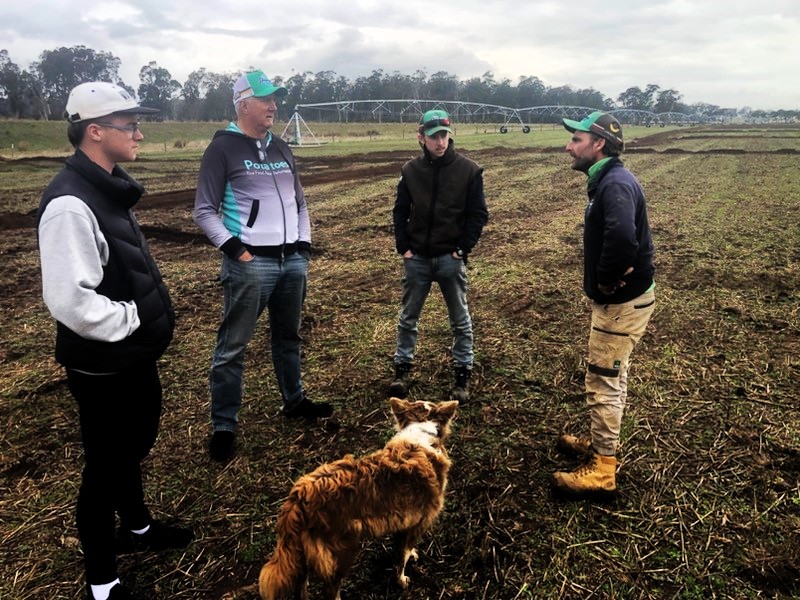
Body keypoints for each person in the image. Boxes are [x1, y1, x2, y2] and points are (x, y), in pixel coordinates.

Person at [36, 82, 193, 600]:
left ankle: (139, 530)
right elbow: (70, 301)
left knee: (132, 446)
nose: (140, 133)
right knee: (106, 467)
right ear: (95, 131)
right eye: (129, 125)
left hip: (131, 355)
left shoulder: (105, 189)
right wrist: (134, 319)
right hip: (103, 364)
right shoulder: (69, 205)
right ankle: (102, 583)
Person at [194, 70, 332, 462]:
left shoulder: (282, 148)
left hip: (292, 263)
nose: (274, 105)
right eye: (266, 98)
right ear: (243, 104)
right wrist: (237, 251)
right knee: (232, 347)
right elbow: (204, 211)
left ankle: (295, 400)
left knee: (289, 338)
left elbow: (300, 203)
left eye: (275, 98)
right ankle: (224, 425)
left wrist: (303, 247)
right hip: (251, 264)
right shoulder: (221, 150)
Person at [552, 111, 656, 496]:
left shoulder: (614, 184)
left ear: (598, 144)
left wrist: (606, 282)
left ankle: (602, 470)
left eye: (576, 139)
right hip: (629, 300)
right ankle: (601, 446)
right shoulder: (610, 180)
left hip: (622, 304)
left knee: (603, 380)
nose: (569, 146)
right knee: (612, 375)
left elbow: (623, 237)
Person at [390, 109, 489, 403]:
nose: (441, 142)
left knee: (460, 319)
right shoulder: (410, 171)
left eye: (444, 135)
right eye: (434, 137)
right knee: (408, 317)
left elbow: (478, 214)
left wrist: (461, 249)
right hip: (417, 257)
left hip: (450, 258)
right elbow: (400, 211)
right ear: (421, 137)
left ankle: (462, 373)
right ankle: (402, 370)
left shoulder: (469, 170)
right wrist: (404, 248)